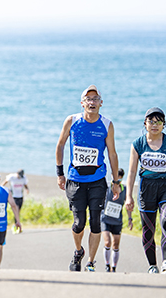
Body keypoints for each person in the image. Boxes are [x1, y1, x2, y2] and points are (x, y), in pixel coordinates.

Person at [55, 85, 120, 272]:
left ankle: (91, 262)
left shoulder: (107, 124)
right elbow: (60, 146)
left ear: (101, 103)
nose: (92, 102)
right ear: (82, 103)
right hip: (75, 180)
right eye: (88, 99)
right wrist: (60, 173)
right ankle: (78, 251)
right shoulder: (72, 121)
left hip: (98, 180)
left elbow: (112, 154)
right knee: (78, 223)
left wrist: (116, 182)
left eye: (96, 99)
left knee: (95, 221)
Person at [125, 107, 166, 274]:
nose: (155, 125)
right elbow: (131, 172)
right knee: (148, 229)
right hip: (146, 189)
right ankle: (152, 265)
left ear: (163, 124)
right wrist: (128, 197)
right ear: (145, 123)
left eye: (159, 122)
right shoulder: (138, 144)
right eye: (151, 122)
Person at [100, 168, 133, 272]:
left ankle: (114, 267)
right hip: (105, 219)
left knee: (116, 244)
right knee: (107, 242)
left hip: (117, 221)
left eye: (119, 178)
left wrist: (130, 218)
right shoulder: (106, 187)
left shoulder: (125, 190)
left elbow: (128, 205)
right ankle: (107, 265)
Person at [2, 169, 29, 233]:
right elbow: (5, 182)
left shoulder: (24, 178)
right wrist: (0, 187)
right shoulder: (12, 177)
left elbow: (25, 184)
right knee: (15, 210)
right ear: (17, 174)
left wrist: (27, 189)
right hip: (13, 196)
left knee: (18, 211)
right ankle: (15, 226)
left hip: (20, 196)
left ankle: (16, 224)